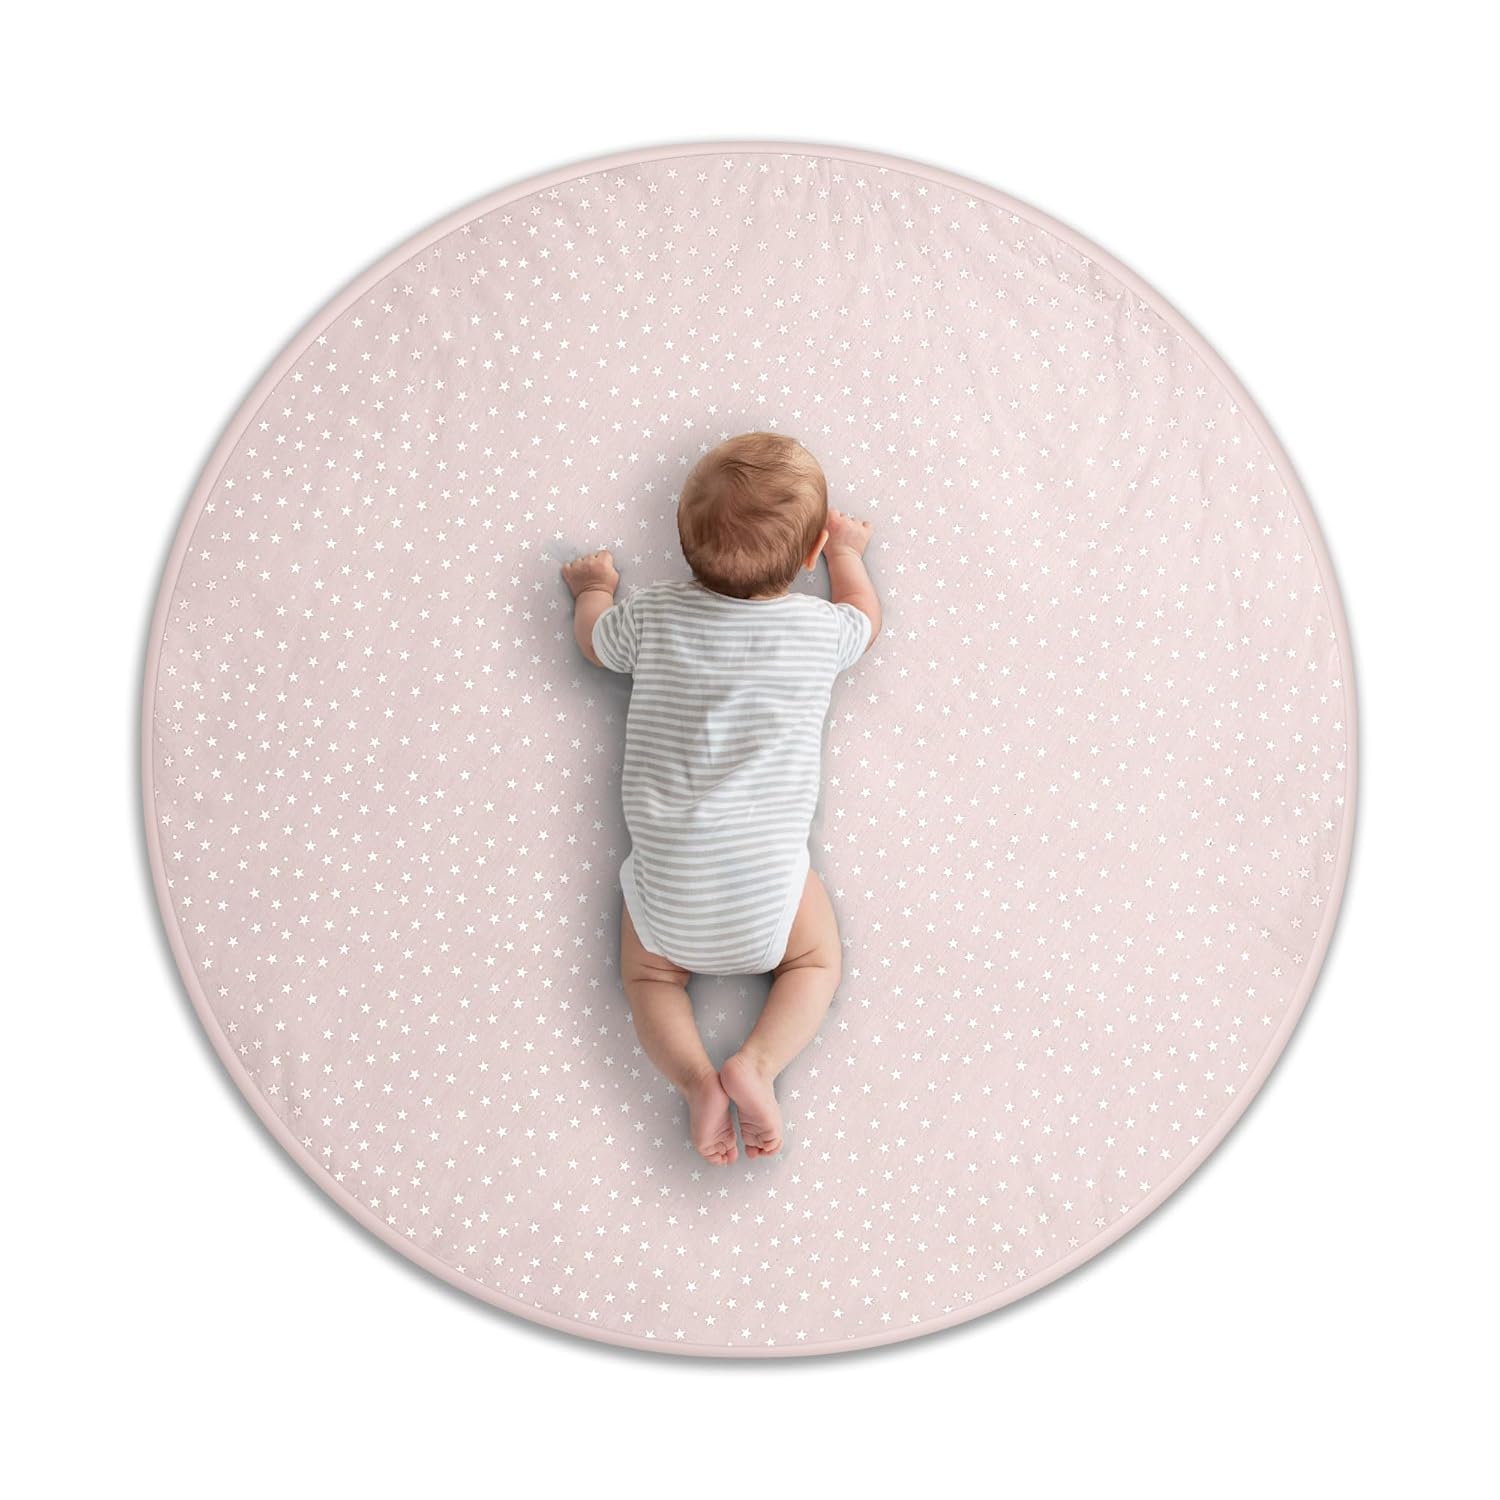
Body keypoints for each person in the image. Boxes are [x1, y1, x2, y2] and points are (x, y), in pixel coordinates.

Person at [561, 432, 881, 1163]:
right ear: (807, 556)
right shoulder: (817, 629)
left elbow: (593, 641)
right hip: (768, 882)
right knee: (814, 965)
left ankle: (695, 1081)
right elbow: (865, 615)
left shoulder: (652, 618)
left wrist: (594, 592)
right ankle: (756, 1065)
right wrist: (848, 554)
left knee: (650, 977)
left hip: (668, 883)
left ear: (684, 546)